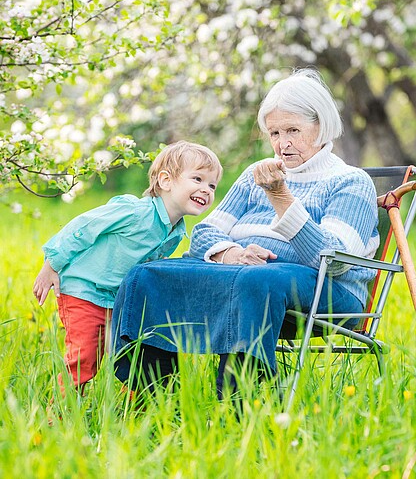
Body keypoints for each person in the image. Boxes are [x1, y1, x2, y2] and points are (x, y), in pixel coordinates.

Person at [111, 68, 379, 397]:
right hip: (244, 275)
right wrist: (231, 254)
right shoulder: (257, 173)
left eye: (292, 130)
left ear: (321, 126)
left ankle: (239, 403)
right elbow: (205, 231)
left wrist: (281, 197)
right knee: (148, 274)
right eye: (275, 133)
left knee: (257, 280)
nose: (282, 144)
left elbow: (333, 261)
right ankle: (157, 400)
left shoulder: (350, 182)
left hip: (329, 290)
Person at [33, 141, 222, 396]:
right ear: (165, 181)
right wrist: (52, 264)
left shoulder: (176, 232)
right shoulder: (135, 211)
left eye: (212, 185)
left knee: (132, 355)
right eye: (197, 178)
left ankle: (132, 412)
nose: (206, 189)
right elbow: (85, 226)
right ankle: (59, 413)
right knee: (85, 356)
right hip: (84, 290)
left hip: (119, 300)